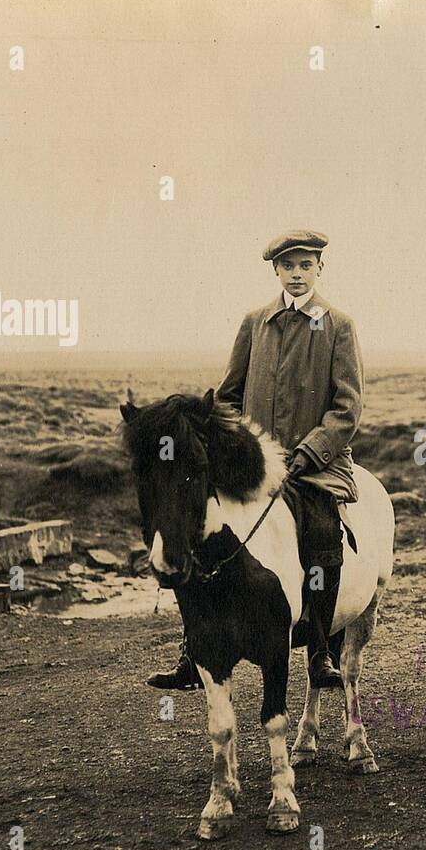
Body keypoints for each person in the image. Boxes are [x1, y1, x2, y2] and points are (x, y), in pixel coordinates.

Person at [146, 229, 363, 691]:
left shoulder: (339, 325)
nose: (297, 274)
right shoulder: (254, 322)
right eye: (288, 266)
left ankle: (321, 649)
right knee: (201, 530)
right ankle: (193, 648)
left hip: (315, 465)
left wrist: (312, 450)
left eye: (306, 265)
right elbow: (227, 395)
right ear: (276, 271)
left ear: (320, 268)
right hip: (255, 464)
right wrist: (231, 445)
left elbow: (348, 407)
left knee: (323, 530)